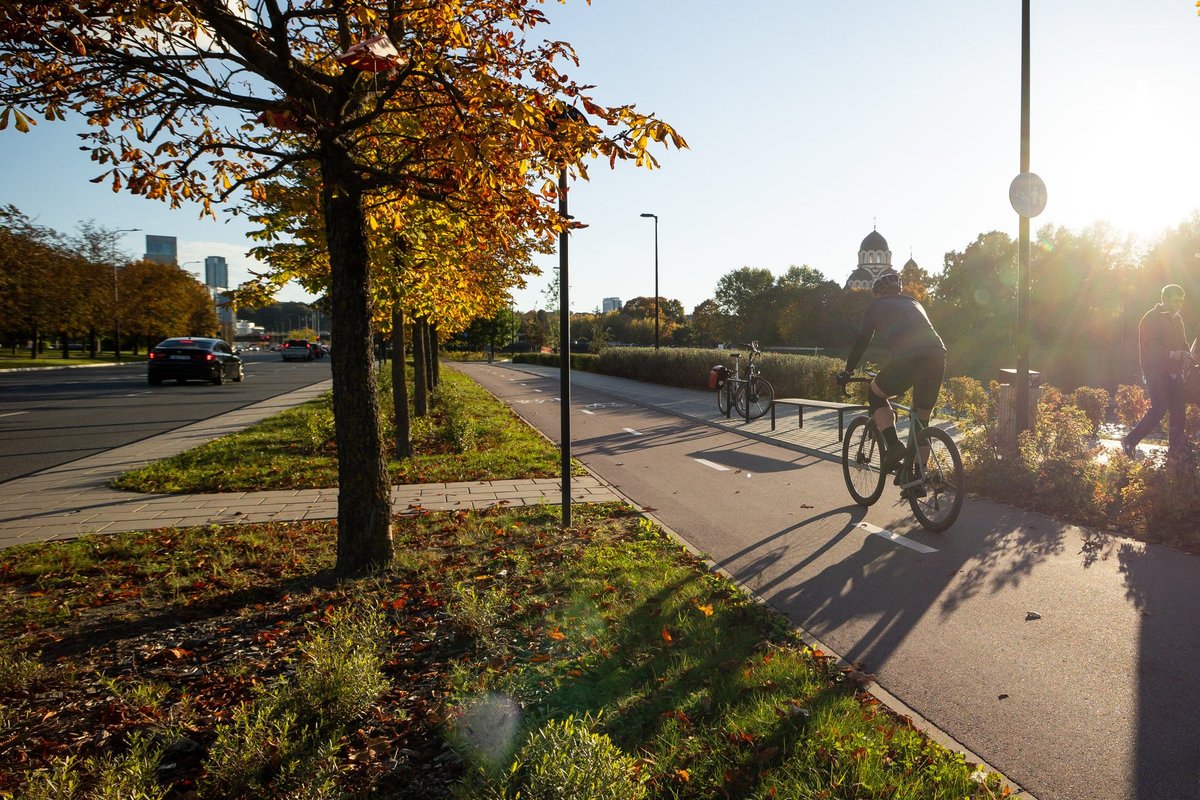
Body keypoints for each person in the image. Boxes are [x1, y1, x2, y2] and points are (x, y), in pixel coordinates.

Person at [838, 272, 947, 484]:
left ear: (878, 293)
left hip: (910, 357)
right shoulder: (914, 303)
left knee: (875, 393)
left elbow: (862, 342)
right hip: (937, 355)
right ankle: (917, 478)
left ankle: (894, 447)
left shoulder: (876, 306)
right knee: (921, 419)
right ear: (898, 290)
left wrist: (847, 372)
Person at [1122, 284, 1193, 462]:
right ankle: (1129, 440)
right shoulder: (1151, 318)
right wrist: (1172, 354)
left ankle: (1176, 453)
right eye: (1176, 301)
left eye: (1181, 301)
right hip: (1156, 372)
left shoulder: (1178, 319)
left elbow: (1183, 342)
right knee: (1159, 409)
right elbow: (1150, 346)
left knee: (1179, 412)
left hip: (1175, 372)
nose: (1179, 305)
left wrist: (1187, 353)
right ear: (1165, 299)